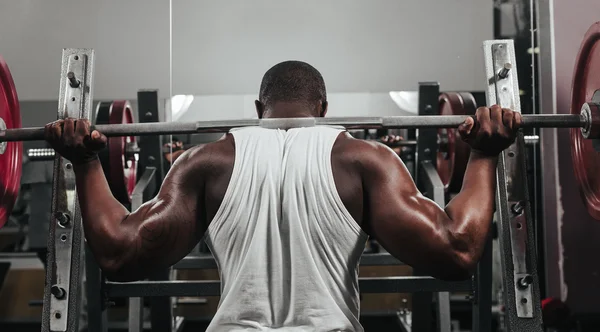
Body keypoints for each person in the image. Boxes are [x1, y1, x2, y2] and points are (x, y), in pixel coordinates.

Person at [44, 61, 521, 332]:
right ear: (325, 109)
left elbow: (119, 253)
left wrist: (85, 162)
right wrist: (482, 154)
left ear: (258, 110)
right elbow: (457, 250)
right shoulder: (364, 162)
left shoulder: (206, 163)